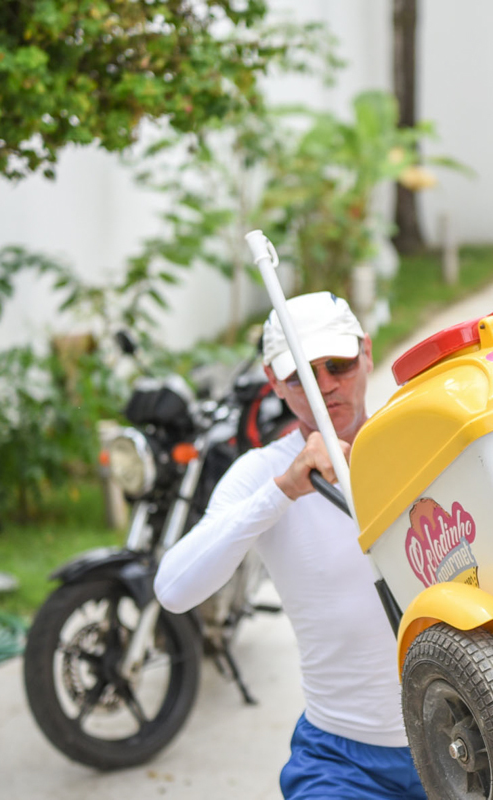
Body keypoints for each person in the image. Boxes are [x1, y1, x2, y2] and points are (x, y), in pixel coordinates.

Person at [154, 292, 426, 799]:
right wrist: (283, 491)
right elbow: (173, 589)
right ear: (274, 381)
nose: (325, 386)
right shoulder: (265, 473)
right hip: (343, 762)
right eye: (301, 375)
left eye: (339, 364)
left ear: (367, 352)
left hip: (464, 738)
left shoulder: (424, 444)